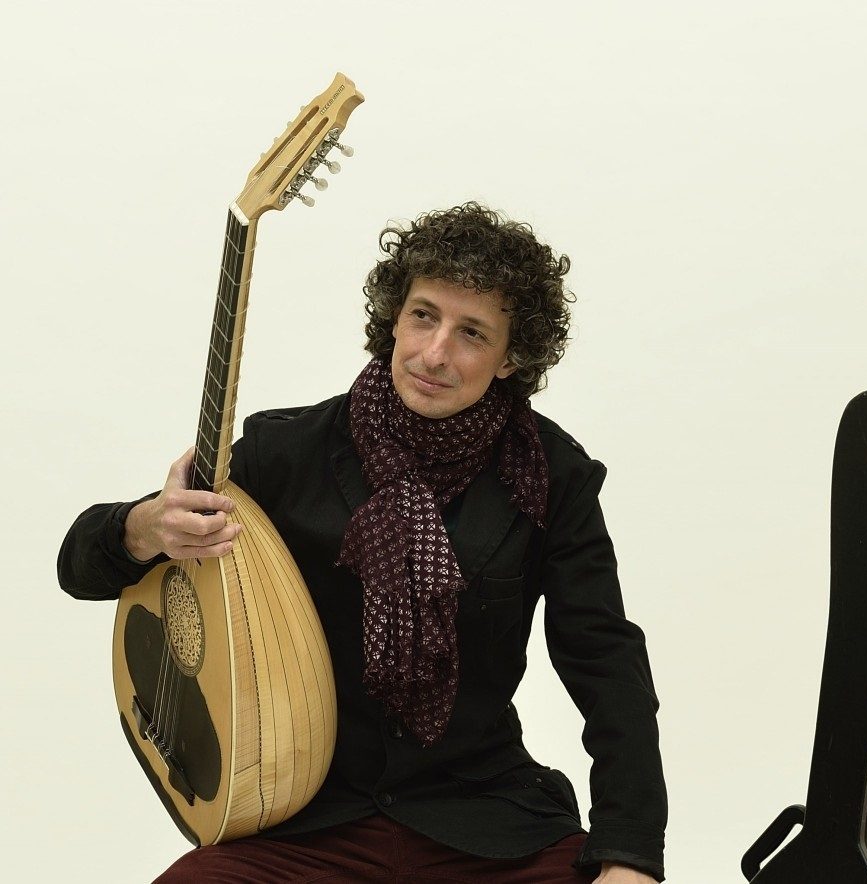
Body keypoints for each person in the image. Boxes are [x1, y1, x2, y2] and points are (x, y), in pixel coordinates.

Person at [58, 202, 668, 882]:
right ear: (393, 319)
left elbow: (604, 659)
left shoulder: (550, 476)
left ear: (510, 358)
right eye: (423, 316)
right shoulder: (284, 451)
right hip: (305, 818)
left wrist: (630, 852)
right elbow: (79, 568)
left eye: (472, 333)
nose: (435, 353)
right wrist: (144, 526)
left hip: (481, 818)